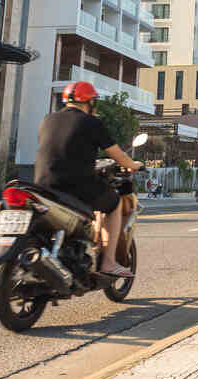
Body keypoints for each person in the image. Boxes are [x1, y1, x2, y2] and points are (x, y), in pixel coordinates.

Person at [34, 81, 141, 278]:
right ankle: (108, 263)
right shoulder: (91, 122)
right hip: (75, 186)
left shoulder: (48, 119)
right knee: (114, 204)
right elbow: (118, 155)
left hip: (43, 185)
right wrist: (134, 165)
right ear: (90, 103)